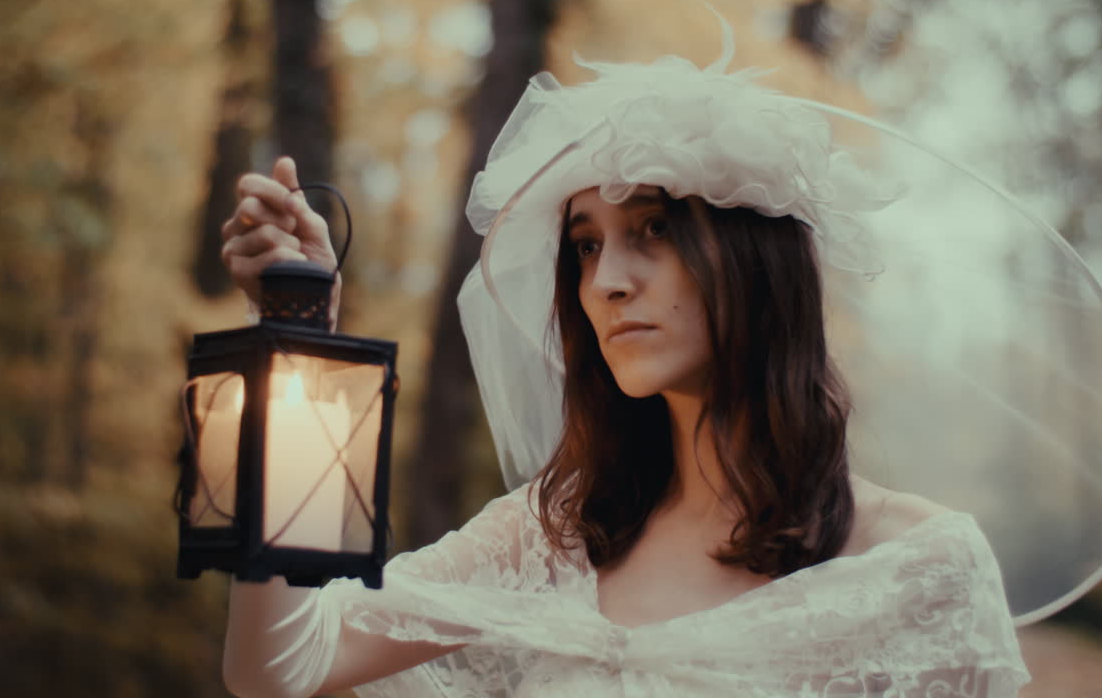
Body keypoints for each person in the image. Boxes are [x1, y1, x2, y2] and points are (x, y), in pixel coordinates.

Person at [216, 42, 1033, 696]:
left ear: (756, 260)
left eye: (654, 229)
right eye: (586, 245)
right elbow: (279, 667)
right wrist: (302, 348)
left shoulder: (921, 568)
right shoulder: (548, 537)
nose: (606, 281)